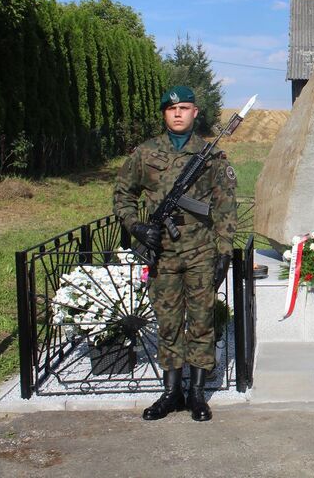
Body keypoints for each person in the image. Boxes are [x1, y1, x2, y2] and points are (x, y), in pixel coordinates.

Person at [113, 85, 238, 422]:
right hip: (162, 253)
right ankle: (171, 393)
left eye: (185, 107)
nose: (178, 113)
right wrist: (136, 227)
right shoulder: (145, 153)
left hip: (200, 251)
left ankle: (197, 394)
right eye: (172, 109)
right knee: (168, 324)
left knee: (200, 321)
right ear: (164, 114)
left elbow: (226, 205)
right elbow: (123, 193)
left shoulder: (210, 155)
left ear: (196, 112)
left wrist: (224, 251)